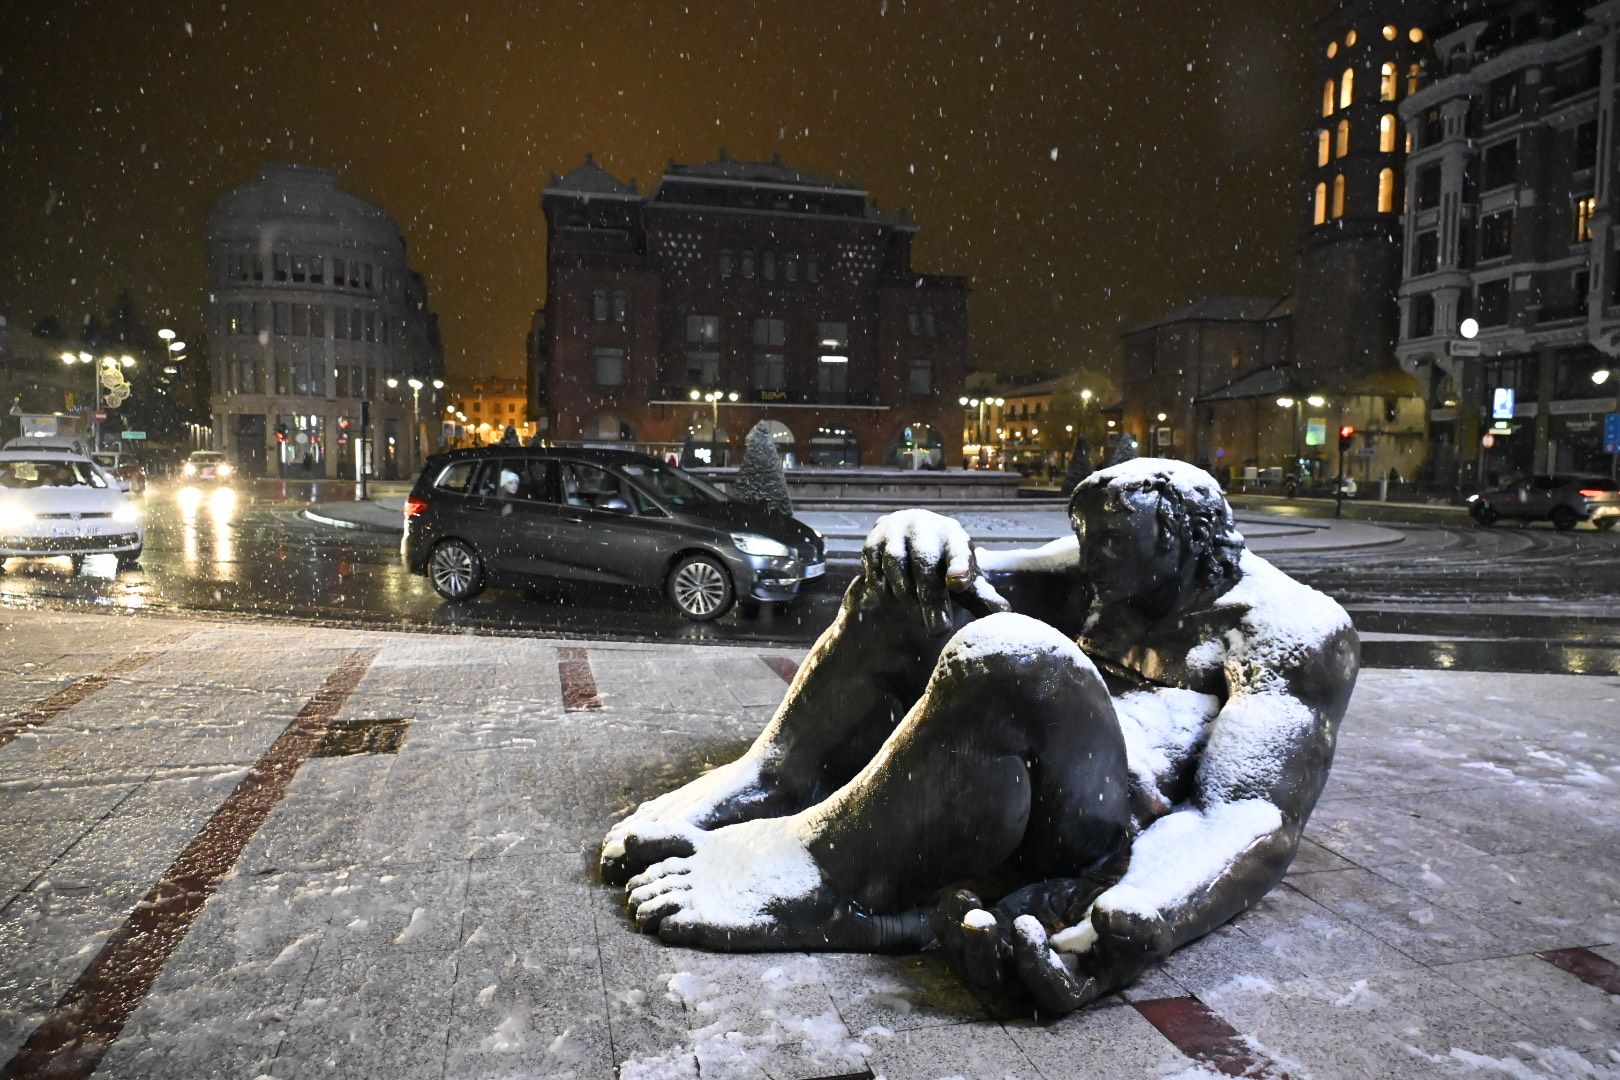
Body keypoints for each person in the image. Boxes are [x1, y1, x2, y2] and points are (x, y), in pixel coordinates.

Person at [603, 458, 1357, 1012]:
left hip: (1105, 820)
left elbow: (1248, 818)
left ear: (1182, 539)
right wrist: (922, 537)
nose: (1092, 564)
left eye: (1114, 546)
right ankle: (773, 774)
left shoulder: (1291, 630)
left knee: (1013, 655)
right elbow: (974, 576)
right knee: (905, 591)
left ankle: (830, 881)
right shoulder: (1100, 572)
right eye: (1086, 543)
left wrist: (1135, 917)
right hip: (1032, 771)